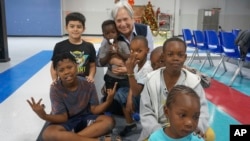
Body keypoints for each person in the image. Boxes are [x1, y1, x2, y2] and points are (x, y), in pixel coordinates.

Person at [27, 52, 121, 141]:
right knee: (48, 133)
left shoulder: (88, 84)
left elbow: (94, 110)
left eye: (69, 67)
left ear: (76, 66)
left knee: (109, 121)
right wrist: (44, 115)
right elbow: (63, 118)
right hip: (66, 123)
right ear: (57, 72)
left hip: (86, 118)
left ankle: (70, 139)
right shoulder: (55, 89)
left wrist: (108, 102)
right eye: (61, 70)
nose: (67, 72)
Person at [139, 37, 210, 141]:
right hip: (156, 130)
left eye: (180, 55)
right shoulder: (151, 80)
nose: (175, 58)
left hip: (186, 127)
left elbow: (202, 110)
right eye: (170, 54)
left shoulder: (193, 82)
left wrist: (198, 126)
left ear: (185, 57)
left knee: (209, 135)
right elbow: (146, 112)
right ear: (163, 57)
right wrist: (159, 133)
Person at [118, 35, 153, 136]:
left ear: (147, 50)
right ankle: (130, 123)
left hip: (147, 100)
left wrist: (129, 71)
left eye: (139, 51)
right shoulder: (137, 64)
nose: (135, 54)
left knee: (123, 94)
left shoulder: (147, 68)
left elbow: (137, 91)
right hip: (139, 94)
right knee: (121, 92)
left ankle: (146, 127)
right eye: (132, 51)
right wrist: (129, 98)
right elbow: (134, 83)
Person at [50, 12, 96, 83]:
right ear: (66, 28)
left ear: (84, 29)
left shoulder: (89, 46)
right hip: (65, 82)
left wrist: (91, 76)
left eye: (79, 27)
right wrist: (55, 80)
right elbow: (53, 66)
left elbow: (92, 65)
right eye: (72, 26)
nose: (75, 29)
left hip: (84, 82)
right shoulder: (59, 46)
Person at [98, 19, 130, 90]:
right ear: (104, 36)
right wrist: (109, 54)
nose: (110, 35)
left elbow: (128, 57)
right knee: (109, 95)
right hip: (110, 77)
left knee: (123, 95)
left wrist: (118, 52)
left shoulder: (123, 44)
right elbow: (101, 62)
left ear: (118, 33)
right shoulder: (104, 47)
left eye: (113, 32)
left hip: (124, 77)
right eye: (107, 33)